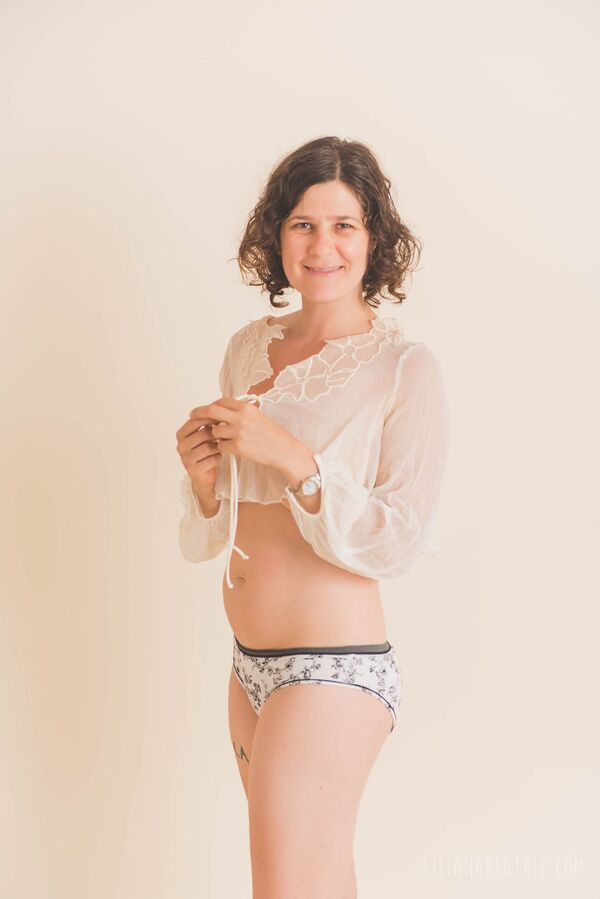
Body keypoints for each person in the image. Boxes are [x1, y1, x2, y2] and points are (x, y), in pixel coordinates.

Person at [175, 136, 450, 898]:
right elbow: (231, 519)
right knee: (317, 883)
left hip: (332, 667)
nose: (322, 245)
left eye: (343, 225)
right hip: (248, 665)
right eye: (302, 224)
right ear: (277, 236)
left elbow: (400, 536)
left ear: (374, 239)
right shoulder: (247, 350)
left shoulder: (405, 369)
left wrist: (294, 457)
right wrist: (206, 482)